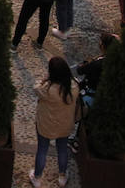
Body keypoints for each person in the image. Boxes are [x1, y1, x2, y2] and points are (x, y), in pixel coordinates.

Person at [29, 57, 78, 188]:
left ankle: (37, 177)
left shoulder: (47, 89)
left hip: (46, 125)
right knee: (62, 149)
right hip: (65, 125)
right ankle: (62, 177)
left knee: (42, 150)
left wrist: (44, 79)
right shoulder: (74, 87)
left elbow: (35, 87)